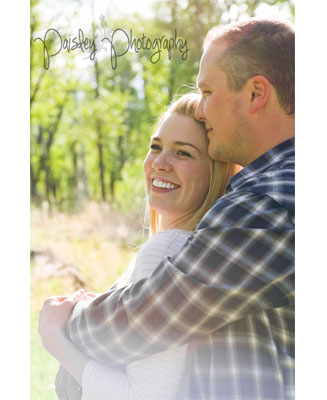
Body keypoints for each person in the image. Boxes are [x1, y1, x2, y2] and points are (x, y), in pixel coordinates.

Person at [40, 19, 296, 399]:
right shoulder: (265, 191)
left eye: (208, 91)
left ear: (257, 92)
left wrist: (60, 328)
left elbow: (147, 316)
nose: (205, 111)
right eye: (155, 146)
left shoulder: (266, 203)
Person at [38, 93, 240, 399]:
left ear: (215, 172)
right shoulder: (186, 250)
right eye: (156, 147)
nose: (159, 163)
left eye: (183, 153)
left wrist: (54, 338)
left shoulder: (166, 251)